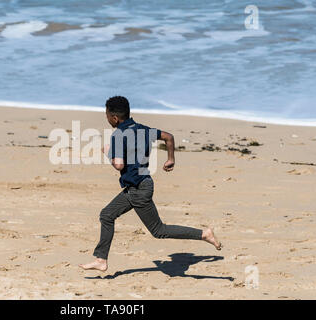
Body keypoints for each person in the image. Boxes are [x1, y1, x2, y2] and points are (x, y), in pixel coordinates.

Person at [79, 96, 222, 272]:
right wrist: (171, 159)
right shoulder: (142, 129)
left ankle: (203, 234)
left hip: (138, 190)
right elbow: (169, 137)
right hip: (141, 185)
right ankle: (101, 259)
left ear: (114, 118)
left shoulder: (118, 135)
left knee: (158, 230)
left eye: (107, 115)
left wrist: (108, 152)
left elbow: (119, 165)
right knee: (107, 215)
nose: (107, 119)